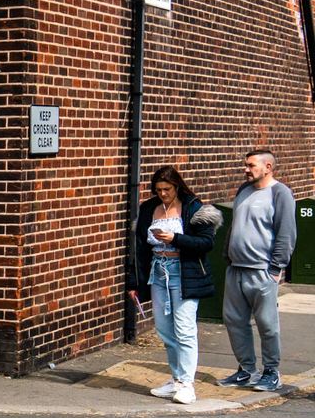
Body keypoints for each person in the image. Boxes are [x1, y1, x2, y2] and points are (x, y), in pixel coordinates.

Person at [126, 165, 218, 405]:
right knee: (165, 329)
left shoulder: (193, 207)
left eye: (167, 189)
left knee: (185, 328)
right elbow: (139, 249)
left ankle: (187, 384)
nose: (163, 194)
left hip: (183, 272)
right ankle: (176, 379)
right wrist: (134, 282)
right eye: (158, 190)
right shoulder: (149, 208)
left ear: (177, 186)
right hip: (157, 271)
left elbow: (206, 243)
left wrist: (175, 238)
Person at [219, 149, 297, 391]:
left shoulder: (280, 193)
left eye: (251, 165)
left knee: (267, 324)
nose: (246, 169)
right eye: (246, 165)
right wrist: (228, 255)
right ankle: (247, 370)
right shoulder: (244, 189)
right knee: (234, 321)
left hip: (262, 270)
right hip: (236, 268)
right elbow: (236, 225)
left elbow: (286, 232)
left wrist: (276, 267)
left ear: (268, 167)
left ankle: (271, 371)